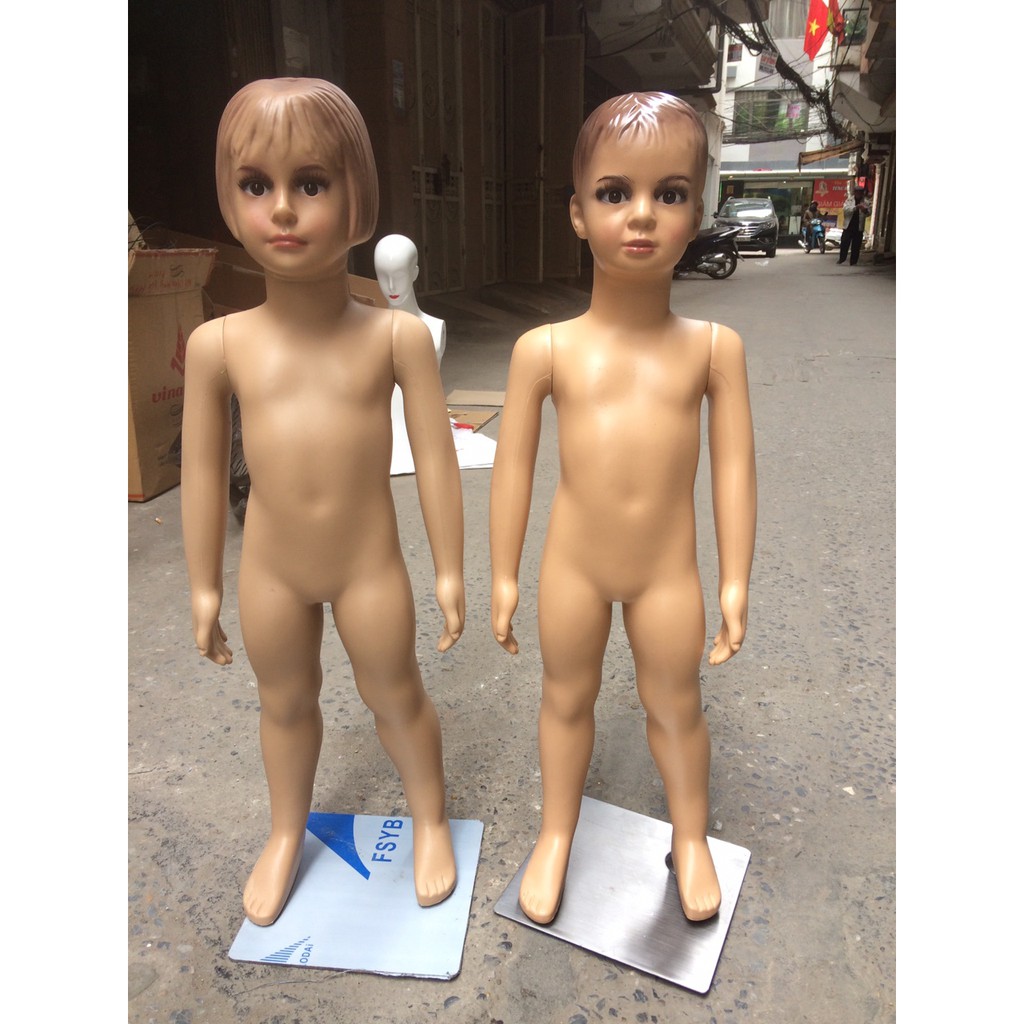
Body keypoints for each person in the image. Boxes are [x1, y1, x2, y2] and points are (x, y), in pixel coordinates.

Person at [181, 78, 465, 927]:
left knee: (395, 693)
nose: (282, 208)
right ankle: (284, 832)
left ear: (357, 201)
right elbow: (203, 471)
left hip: (367, 565)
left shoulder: (394, 337)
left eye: (310, 183)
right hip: (270, 570)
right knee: (283, 702)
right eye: (255, 184)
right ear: (230, 202)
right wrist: (203, 585)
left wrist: (450, 567)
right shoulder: (218, 345)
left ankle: (430, 820)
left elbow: (436, 454)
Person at [489, 92, 757, 925]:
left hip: (666, 572)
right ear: (578, 213)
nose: (641, 215)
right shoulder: (545, 350)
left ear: (697, 214)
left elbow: (735, 467)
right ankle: (555, 834)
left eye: (669, 194)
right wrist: (503, 573)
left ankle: (691, 837)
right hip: (573, 565)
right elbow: (513, 466)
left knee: (676, 704)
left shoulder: (712, 349)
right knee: (565, 697)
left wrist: (735, 579)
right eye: (614, 193)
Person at [374, 234, 447, 476]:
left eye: (399, 275)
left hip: (424, 441)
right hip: (381, 444)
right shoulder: (367, 335)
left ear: (414, 273)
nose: (391, 286)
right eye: (383, 276)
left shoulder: (434, 328)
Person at [837, 187, 869, 265]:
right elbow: (846, 210)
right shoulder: (849, 200)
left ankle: (853, 261)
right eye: (857, 192)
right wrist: (856, 208)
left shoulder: (866, 202)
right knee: (844, 243)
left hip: (858, 227)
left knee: (856, 245)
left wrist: (864, 210)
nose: (858, 194)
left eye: (860, 192)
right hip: (848, 226)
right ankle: (842, 259)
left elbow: (869, 213)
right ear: (854, 193)